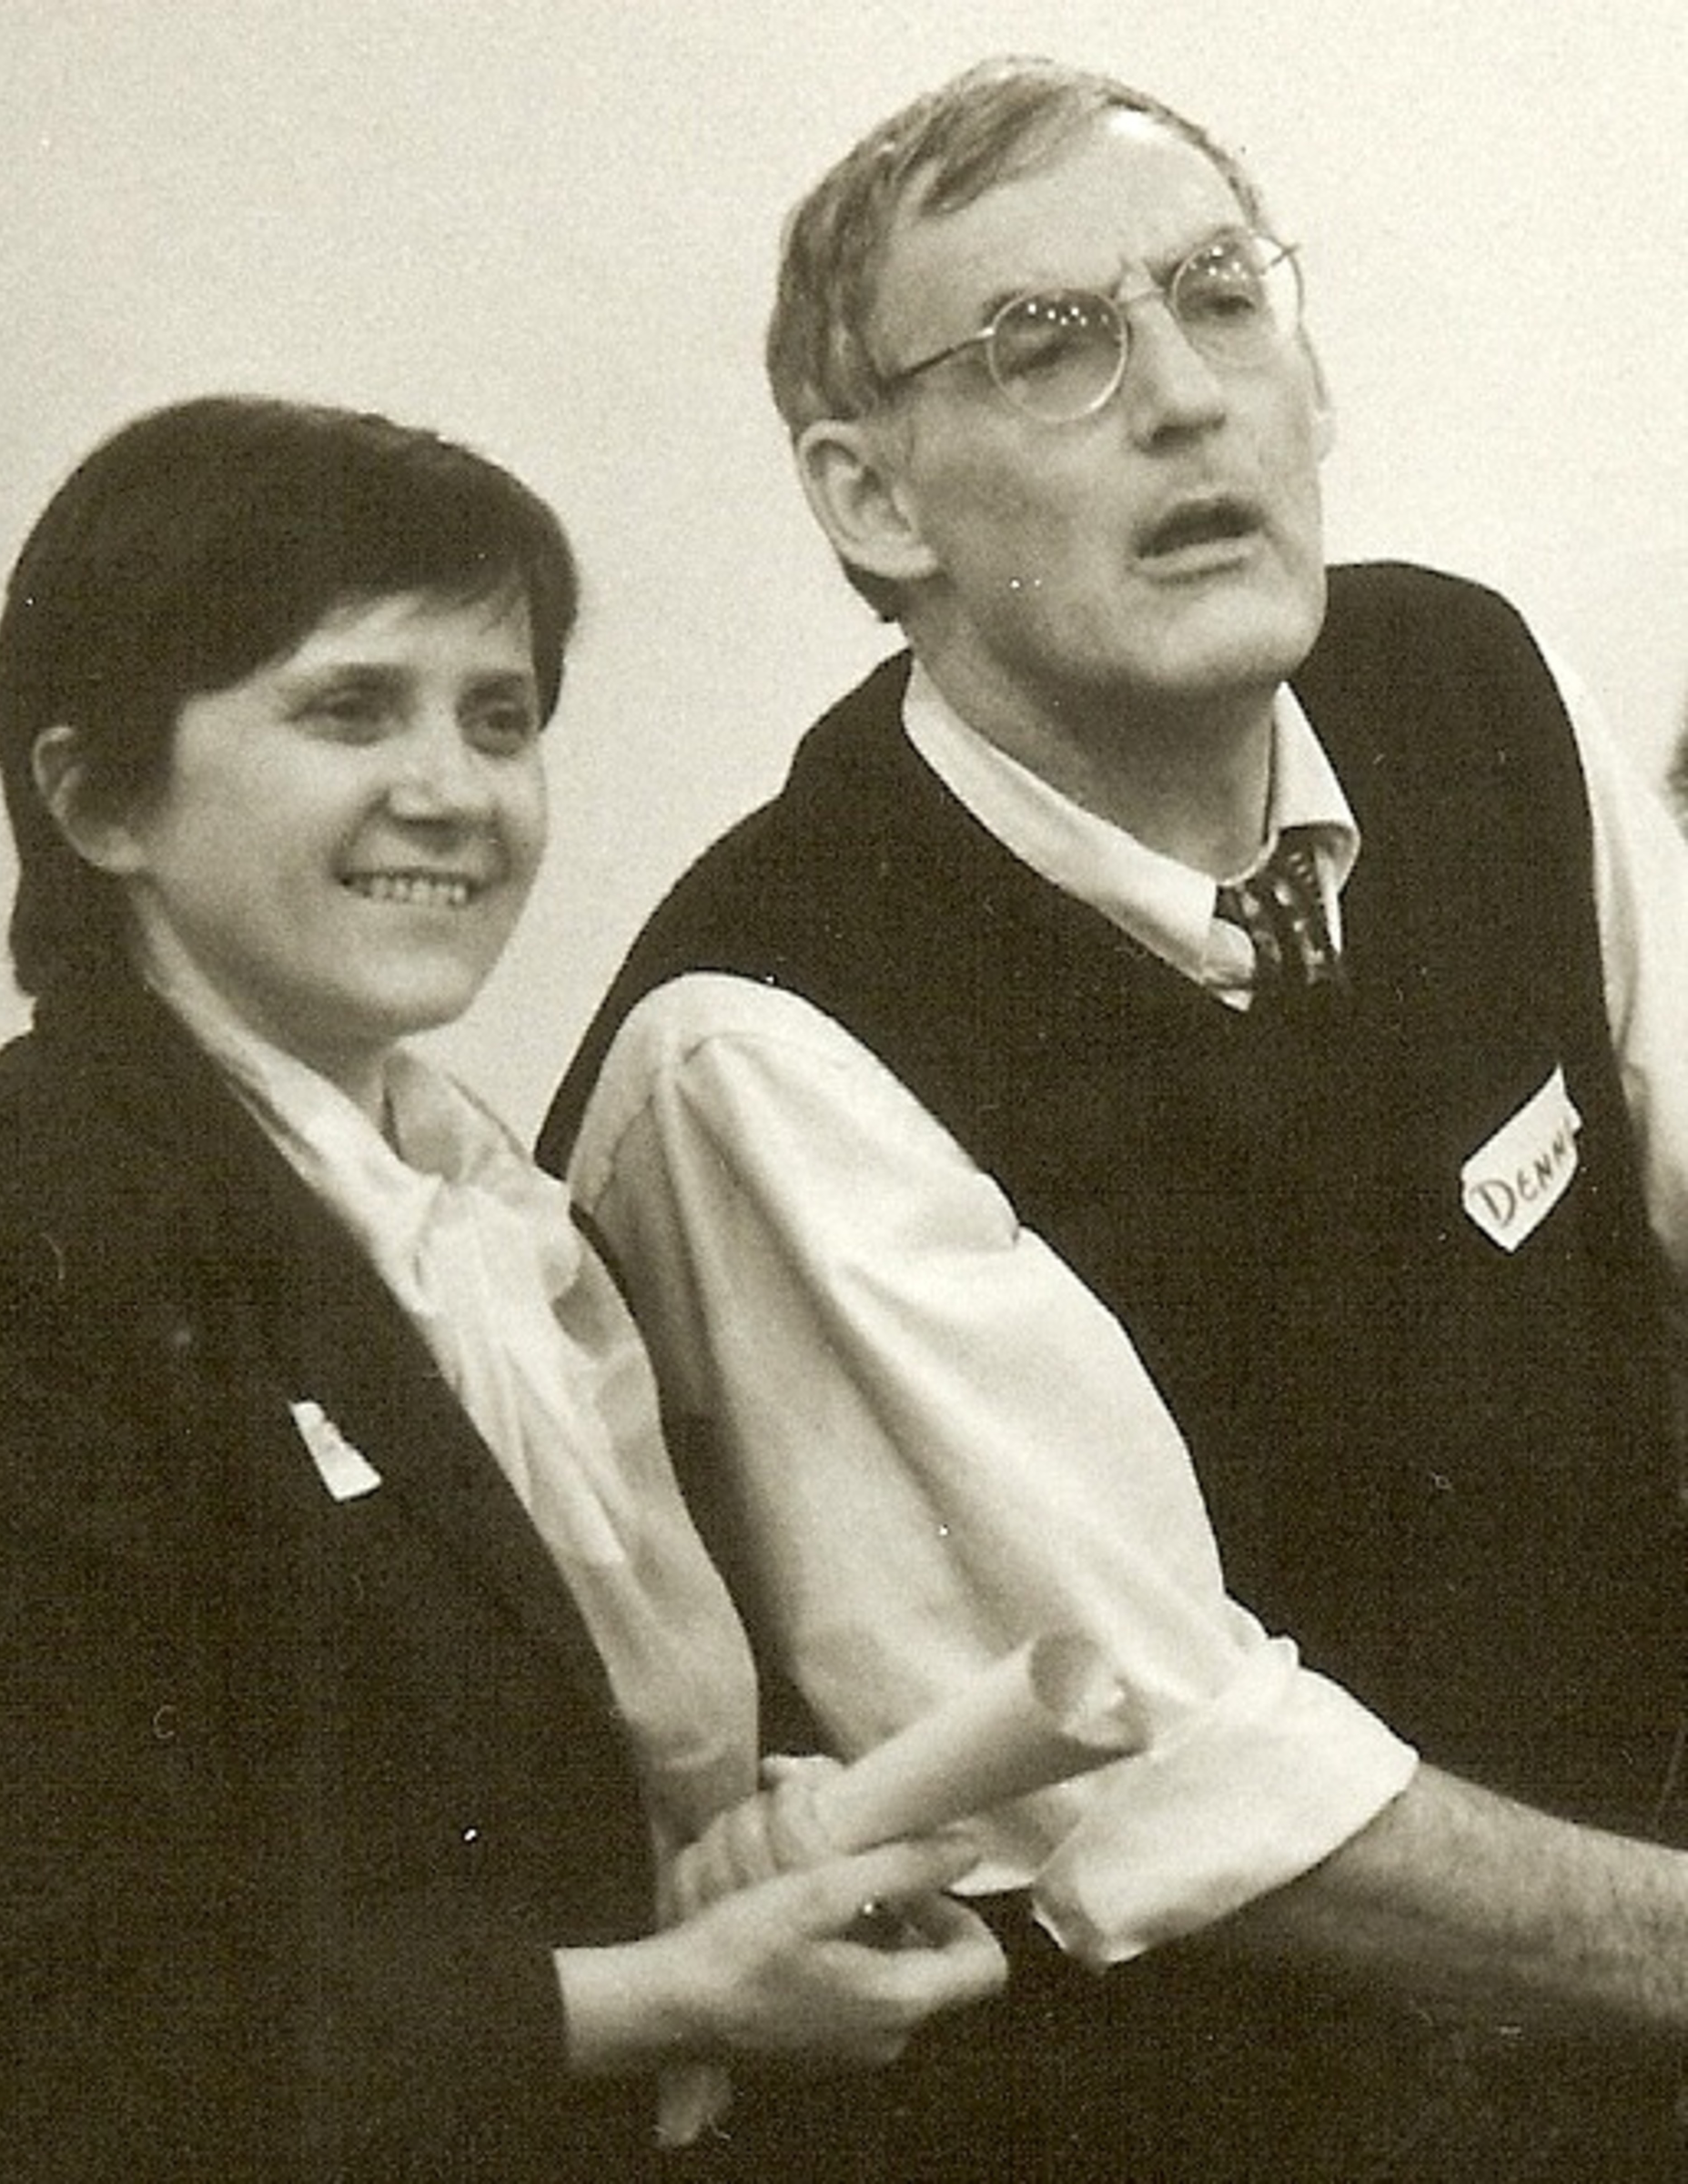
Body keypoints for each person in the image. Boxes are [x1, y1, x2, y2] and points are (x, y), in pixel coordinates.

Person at [541, 56, 1688, 2180]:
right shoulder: (761, 1042)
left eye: (1218, 297)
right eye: (1044, 347)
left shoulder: (1470, 687)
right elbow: (1188, 1794)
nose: (1180, 398)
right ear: (871, 501)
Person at [0, 395, 1006, 2183]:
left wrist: (759, 1843)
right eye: (349, 710)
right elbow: (17, 2022)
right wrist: (659, 1996)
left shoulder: (523, 1237)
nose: (452, 791)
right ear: (96, 799)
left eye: (498, 718)